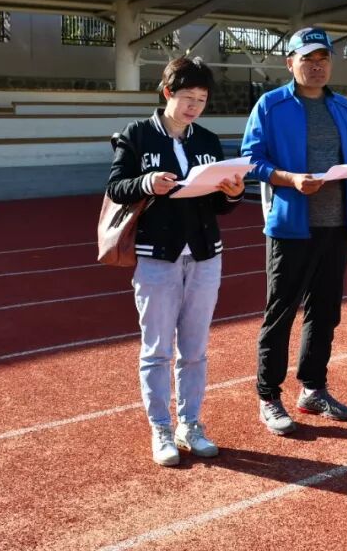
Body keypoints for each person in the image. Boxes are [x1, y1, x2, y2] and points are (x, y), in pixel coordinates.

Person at [105, 57, 245, 466]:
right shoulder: (137, 135)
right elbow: (116, 187)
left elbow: (222, 206)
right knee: (156, 350)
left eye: (201, 100)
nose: (194, 107)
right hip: (157, 257)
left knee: (196, 349)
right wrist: (147, 183)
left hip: (204, 255)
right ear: (168, 93)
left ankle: (192, 422)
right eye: (187, 98)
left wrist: (233, 191)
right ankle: (161, 428)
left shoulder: (207, 140)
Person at [241, 27, 347, 435]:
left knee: (325, 312)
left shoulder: (342, 106)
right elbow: (251, 159)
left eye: (323, 59)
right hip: (291, 227)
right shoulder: (271, 105)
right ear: (291, 63)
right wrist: (288, 178)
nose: (316, 66)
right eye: (308, 59)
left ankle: (313, 388)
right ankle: (268, 395)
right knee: (280, 313)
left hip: (337, 224)